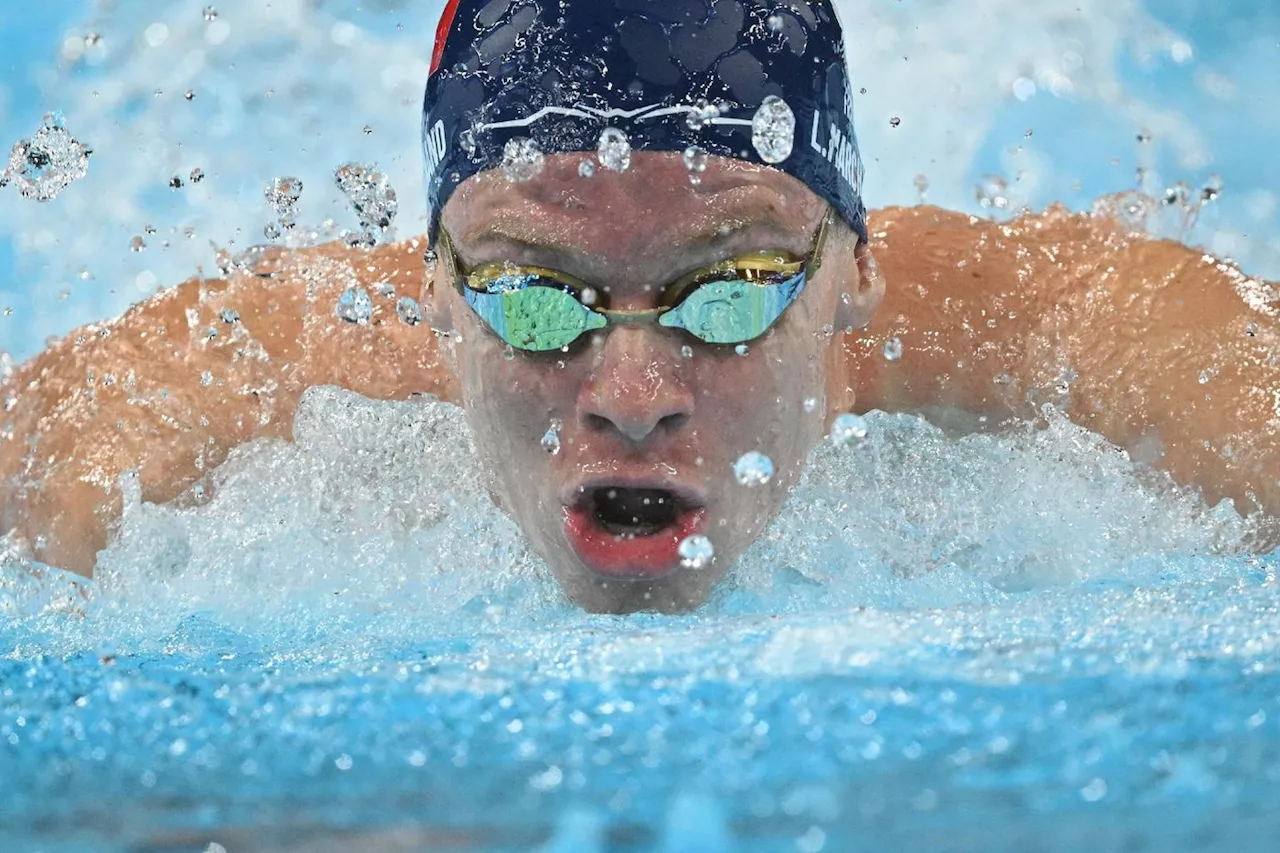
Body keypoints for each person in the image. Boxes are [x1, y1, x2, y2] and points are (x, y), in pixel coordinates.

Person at [0, 0, 1276, 613]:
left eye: (725, 296)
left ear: (852, 279)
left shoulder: (1059, 316)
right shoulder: (235, 371)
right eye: (537, 302)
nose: (629, 397)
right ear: (430, 293)